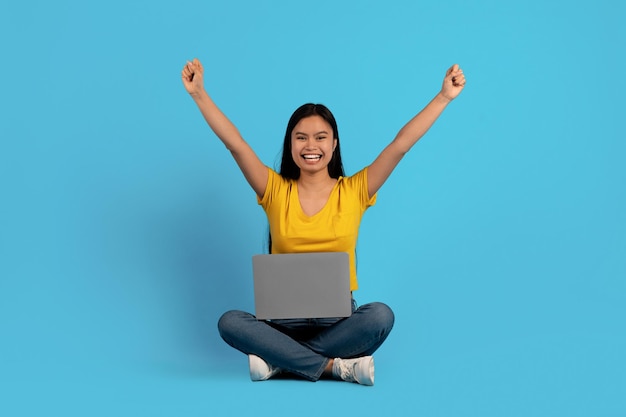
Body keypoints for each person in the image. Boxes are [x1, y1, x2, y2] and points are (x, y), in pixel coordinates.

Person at [181, 58, 466, 385]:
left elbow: (400, 146)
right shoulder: (275, 191)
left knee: (380, 315)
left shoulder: (355, 190)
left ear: (334, 144)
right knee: (230, 321)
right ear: (290, 145)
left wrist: (443, 97)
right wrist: (199, 94)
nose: (311, 146)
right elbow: (236, 145)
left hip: (339, 324)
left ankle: (280, 360)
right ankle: (334, 367)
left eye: (320, 137)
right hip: (282, 325)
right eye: (301, 137)